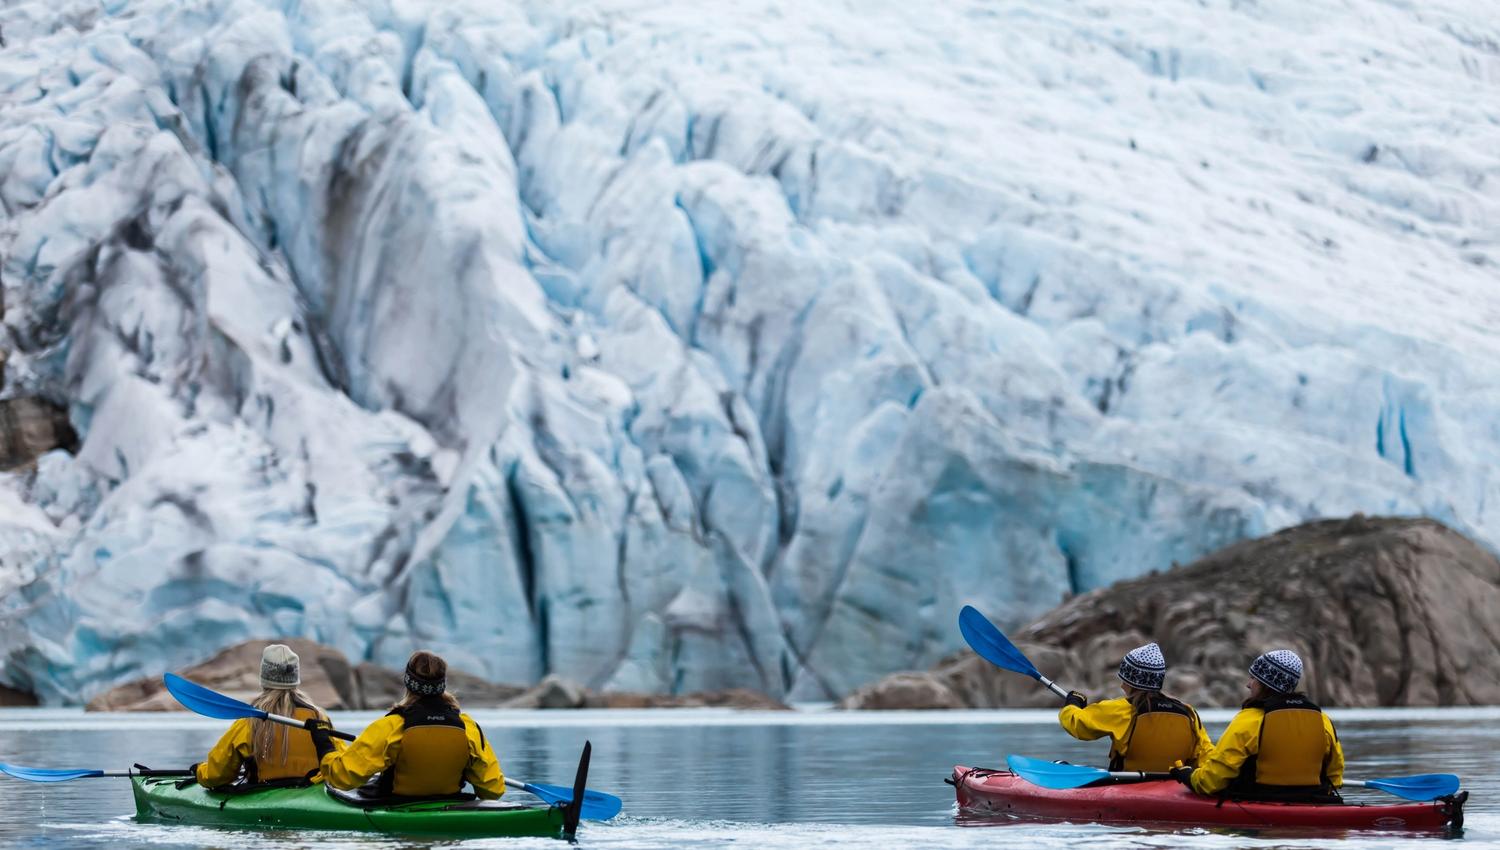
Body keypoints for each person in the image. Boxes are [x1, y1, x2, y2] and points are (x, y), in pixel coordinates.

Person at [306, 650, 505, 798]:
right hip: (449, 803)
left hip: (397, 805)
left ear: (408, 683)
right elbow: (493, 791)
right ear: (442, 685)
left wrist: (324, 743)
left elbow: (341, 778)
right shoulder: (467, 727)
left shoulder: (391, 727)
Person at [1171, 649, 1344, 800]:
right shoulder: (1322, 720)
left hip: (1257, 799)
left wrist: (1188, 775)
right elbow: (1335, 776)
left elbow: (1211, 782)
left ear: (1266, 684)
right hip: (1313, 798)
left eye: (1253, 678)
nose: (1248, 684)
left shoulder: (1250, 720)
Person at [193, 644, 339, 787]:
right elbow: (339, 764)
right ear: (295, 678)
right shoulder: (319, 719)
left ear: (264, 678)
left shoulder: (251, 721)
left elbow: (216, 776)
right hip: (312, 789)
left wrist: (200, 770)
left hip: (264, 790)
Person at [1058, 642, 1213, 771]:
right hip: (1175, 786)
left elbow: (1077, 724)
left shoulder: (1121, 710)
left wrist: (1073, 703)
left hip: (1128, 784)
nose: (1121, 685)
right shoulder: (1188, 713)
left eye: (1124, 679)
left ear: (1131, 681)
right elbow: (1206, 754)